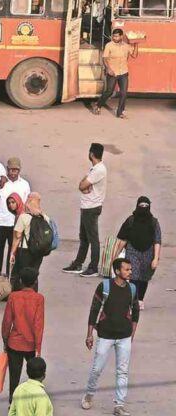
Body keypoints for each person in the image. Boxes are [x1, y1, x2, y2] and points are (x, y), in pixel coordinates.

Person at [81, 258, 140, 416]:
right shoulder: (104, 286)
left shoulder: (132, 289)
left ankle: (119, 405)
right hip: (105, 335)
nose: (130, 272)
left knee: (123, 372)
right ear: (117, 271)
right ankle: (89, 395)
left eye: (130, 269)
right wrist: (89, 335)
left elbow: (135, 313)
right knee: (97, 369)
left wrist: (131, 334)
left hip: (124, 337)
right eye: (127, 269)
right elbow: (94, 310)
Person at [2, 267, 45, 403]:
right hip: (31, 345)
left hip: (14, 343)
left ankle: (12, 404)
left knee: (14, 377)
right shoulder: (39, 299)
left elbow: (7, 322)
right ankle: (33, 403)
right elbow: (38, 325)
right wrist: (38, 349)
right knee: (35, 378)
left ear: (20, 281)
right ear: (35, 282)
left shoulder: (13, 297)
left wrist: (5, 340)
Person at [64, 143, 107, 277]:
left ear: (91, 154)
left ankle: (93, 267)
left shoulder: (98, 170)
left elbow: (82, 185)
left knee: (93, 238)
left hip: (91, 207)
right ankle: (78, 263)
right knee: (84, 238)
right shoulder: (94, 169)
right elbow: (83, 185)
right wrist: (84, 185)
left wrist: (84, 185)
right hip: (87, 206)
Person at [115, 196, 161, 310]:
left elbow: (157, 241)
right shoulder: (131, 220)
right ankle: (133, 300)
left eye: (146, 206)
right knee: (134, 275)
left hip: (148, 253)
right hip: (132, 251)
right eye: (142, 206)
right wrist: (116, 254)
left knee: (144, 277)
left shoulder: (154, 223)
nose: (144, 208)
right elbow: (123, 239)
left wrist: (155, 258)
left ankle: (140, 299)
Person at [0, 158, 31, 276]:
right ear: (7, 169)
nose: (13, 173)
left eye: (16, 170)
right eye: (11, 170)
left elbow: (26, 204)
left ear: (19, 170)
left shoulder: (24, 184)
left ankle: (11, 276)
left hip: (16, 223)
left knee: (13, 252)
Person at [92, 28, 139, 118]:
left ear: (121, 36)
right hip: (112, 72)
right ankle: (98, 105)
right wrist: (108, 69)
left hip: (124, 72)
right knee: (109, 92)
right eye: (114, 36)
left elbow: (134, 55)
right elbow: (105, 58)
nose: (115, 38)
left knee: (124, 93)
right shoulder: (109, 45)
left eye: (117, 36)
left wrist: (136, 44)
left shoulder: (126, 46)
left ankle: (120, 112)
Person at [10, 192, 50, 291]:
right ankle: (33, 296)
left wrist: (12, 253)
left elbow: (17, 236)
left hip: (24, 251)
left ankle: (18, 297)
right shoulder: (45, 218)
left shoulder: (23, 217)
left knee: (20, 273)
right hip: (39, 251)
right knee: (34, 274)